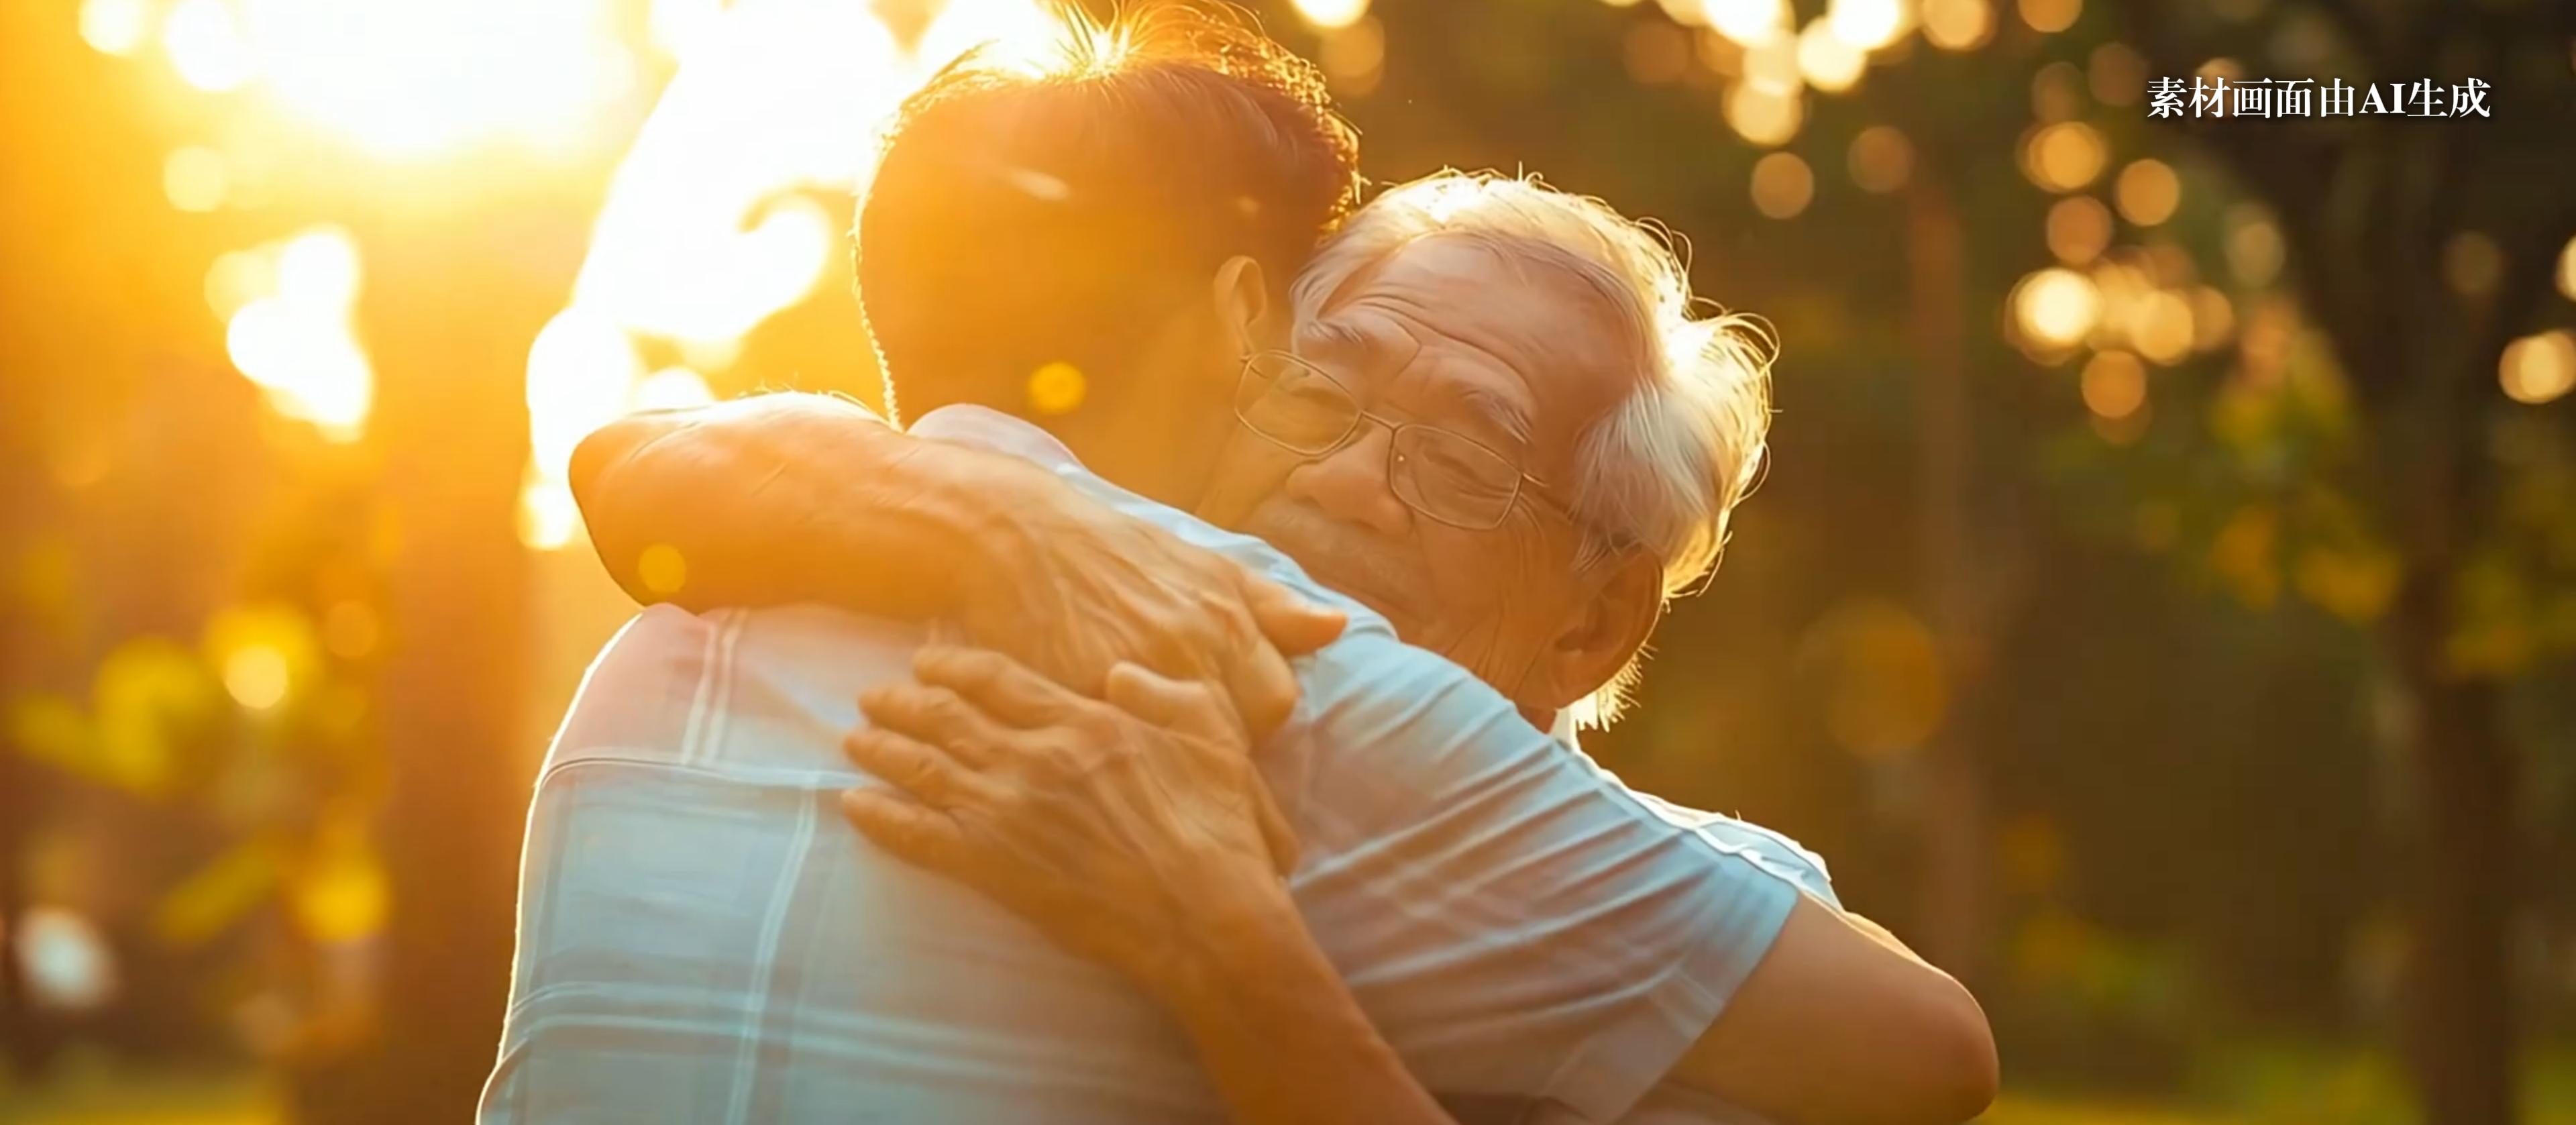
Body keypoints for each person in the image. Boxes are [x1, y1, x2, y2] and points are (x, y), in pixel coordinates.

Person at [489, 6, 1996, 1125]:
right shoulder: (1257, 676)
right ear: (1238, 332)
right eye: (1326, 391)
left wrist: (1226, 945)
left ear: (1601, 616)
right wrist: (1011, 521)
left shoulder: (648, 665)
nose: (1346, 472)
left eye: (1464, 455)